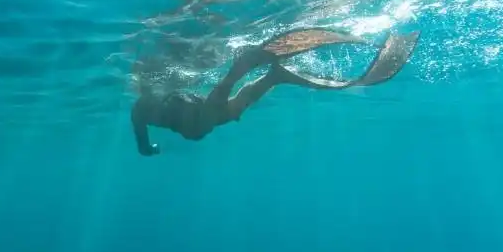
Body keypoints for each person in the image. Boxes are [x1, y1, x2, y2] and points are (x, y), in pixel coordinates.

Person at [130, 28, 420, 156]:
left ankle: (254, 71)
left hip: (182, 102)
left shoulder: (147, 109)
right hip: (189, 111)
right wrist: (149, 149)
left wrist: (150, 149)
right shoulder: (151, 113)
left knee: (221, 108)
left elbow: (144, 140)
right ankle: (272, 76)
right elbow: (143, 144)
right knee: (227, 110)